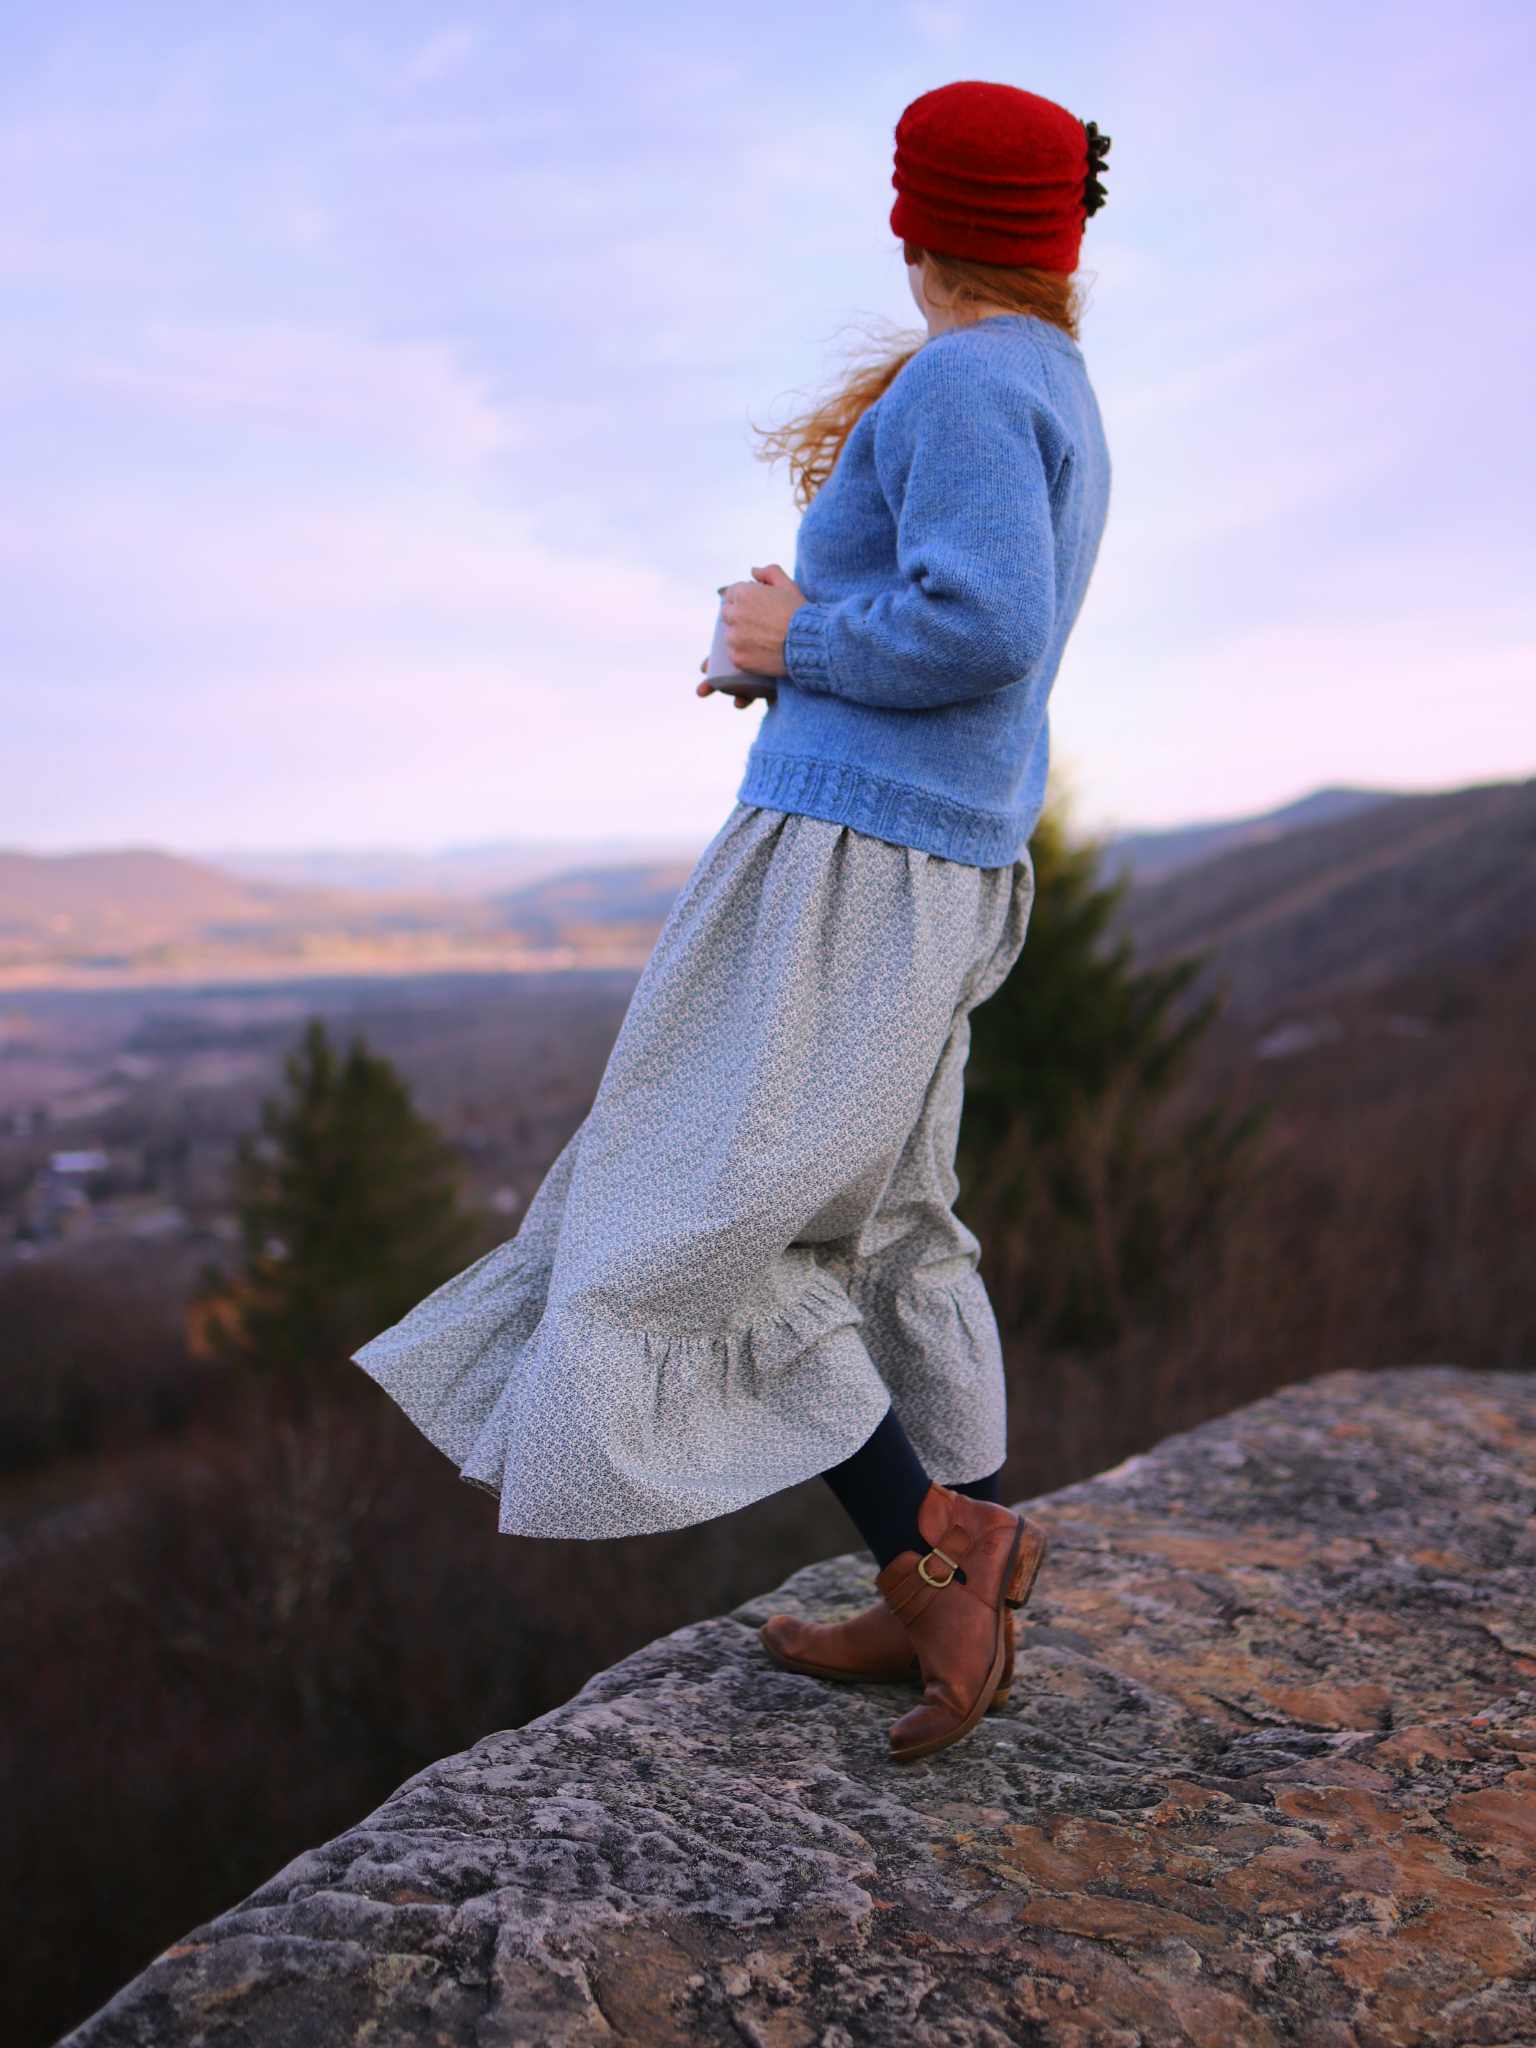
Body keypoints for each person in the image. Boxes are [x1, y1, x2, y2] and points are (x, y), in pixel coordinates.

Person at [351, 79, 1113, 1765]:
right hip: (919, 855)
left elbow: (985, 626)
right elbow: (972, 627)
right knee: (888, 1226)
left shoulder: (969, 380)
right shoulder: (1045, 380)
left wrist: (795, 644)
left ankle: (939, 1562)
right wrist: (791, 657)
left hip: (853, 863)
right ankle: (950, 1571)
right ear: (1059, 238)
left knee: (702, 1219)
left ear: (917, 224)